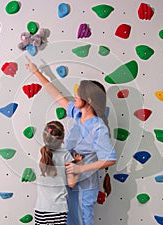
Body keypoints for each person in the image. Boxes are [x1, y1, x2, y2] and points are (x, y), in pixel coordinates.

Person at [26, 56, 117, 225]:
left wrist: (81, 167)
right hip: (69, 186)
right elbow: (58, 96)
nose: (74, 97)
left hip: (84, 189)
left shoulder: (98, 128)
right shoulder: (77, 114)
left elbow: (110, 159)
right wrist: (36, 72)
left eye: (77, 96)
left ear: (88, 101)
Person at [34, 121, 81, 225]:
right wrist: (79, 164)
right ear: (62, 139)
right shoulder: (65, 155)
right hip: (58, 209)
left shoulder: (41, 153)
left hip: (40, 209)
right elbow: (72, 184)